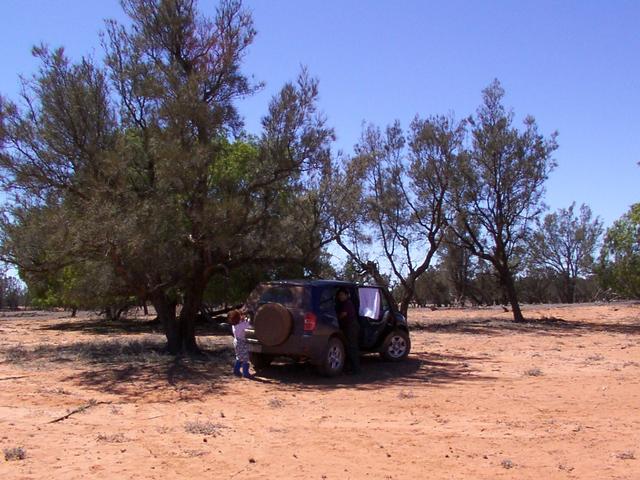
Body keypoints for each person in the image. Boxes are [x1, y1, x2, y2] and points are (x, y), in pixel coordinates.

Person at [335, 288, 361, 374]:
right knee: (349, 347)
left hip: (352, 326)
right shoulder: (342, 304)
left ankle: (355, 369)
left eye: (342, 295)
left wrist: (336, 318)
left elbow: (344, 314)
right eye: (339, 295)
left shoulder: (347, 303)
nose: (340, 297)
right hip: (348, 326)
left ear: (346, 295)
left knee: (352, 347)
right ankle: (351, 368)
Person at [228, 308, 251, 378]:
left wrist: (243, 319)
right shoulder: (242, 325)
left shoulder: (234, 325)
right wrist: (248, 319)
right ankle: (246, 373)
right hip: (242, 342)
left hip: (236, 341)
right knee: (245, 357)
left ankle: (236, 370)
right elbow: (249, 325)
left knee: (239, 357)